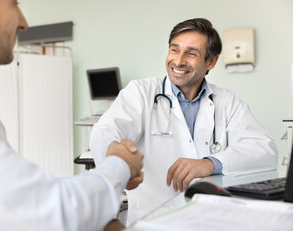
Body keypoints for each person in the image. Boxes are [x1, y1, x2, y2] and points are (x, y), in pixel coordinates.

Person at [0, 0, 144, 230]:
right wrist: (120, 164)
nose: (23, 22)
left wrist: (102, 215)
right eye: (15, 2)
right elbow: (47, 211)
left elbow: (17, 203)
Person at [90, 18, 278, 225]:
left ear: (211, 62)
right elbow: (105, 131)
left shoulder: (227, 102)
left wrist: (210, 163)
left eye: (191, 53)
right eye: (174, 50)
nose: (178, 61)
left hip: (211, 219)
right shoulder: (142, 93)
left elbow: (264, 149)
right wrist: (116, 165)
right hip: (153, 219)